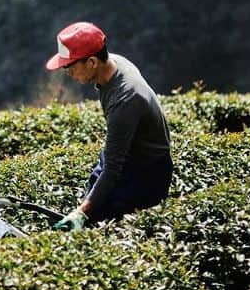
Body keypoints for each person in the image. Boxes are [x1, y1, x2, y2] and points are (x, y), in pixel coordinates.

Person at [45, 21, 172, 230]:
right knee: (89, 204)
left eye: (70, 67)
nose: (68, 73)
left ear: (92, 62)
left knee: (103, 224)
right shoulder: (113, 64)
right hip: (126, 157)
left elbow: (113, 169)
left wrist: (81, 213)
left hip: (145, 173)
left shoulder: (126, 99)